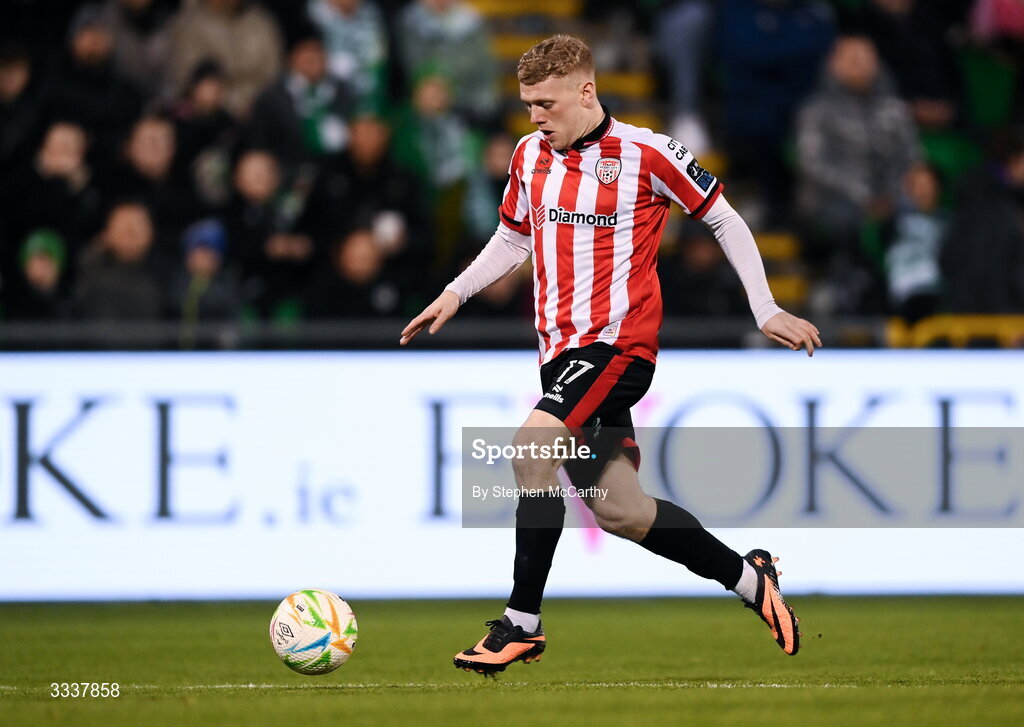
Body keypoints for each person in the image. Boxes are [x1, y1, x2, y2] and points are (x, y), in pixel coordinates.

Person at [400, 35, 820, 675]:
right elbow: (513, 238)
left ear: (586, 91)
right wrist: (455, 293)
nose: (535, 116)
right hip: (560, 356)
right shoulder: (527, 156)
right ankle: (749, 579)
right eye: (527, 104)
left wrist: (765, 308)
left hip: (618, 348)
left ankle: (522, 623)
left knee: (529, 449)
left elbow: (725, 220)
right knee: (622, 510)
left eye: (545, 103)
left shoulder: (647, 153)